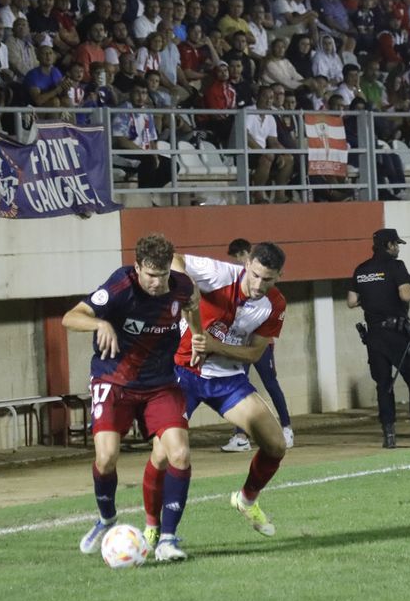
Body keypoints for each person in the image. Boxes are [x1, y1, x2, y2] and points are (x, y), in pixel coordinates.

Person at [61, 233, 195, 563]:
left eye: (162, 275)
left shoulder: (181, 286)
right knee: (106, 458)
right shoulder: (120, 286)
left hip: (160, 383)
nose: (157, 282)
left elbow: (193, 305)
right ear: (137, 268)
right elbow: (70, 317)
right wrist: (99, 324)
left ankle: (167, 539)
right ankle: (107, 519)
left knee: (179, 452)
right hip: (114, 380)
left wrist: (200, 336)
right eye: (150, 275)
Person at [151, 242, 289, 542]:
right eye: (254, 275)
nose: (259, 284)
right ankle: (153, 527)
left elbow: (253, 354)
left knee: (276, 445)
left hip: (227, 380)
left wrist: (215, 347)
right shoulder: (218, 274)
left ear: (278, 276)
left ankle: (247, 499)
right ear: (247, 264)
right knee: (163, 455)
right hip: (182, 373)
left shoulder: (275, 305)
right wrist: (187, 287)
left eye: (268, 279)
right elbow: (174, 257)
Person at [350, 228, 410, 447]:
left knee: (383, 385)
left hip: (373, 336)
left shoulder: (361, 269)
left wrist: (373, 297)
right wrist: (404, 291)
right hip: (396, 334)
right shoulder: (395, 266)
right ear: (389, 245)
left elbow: (352, 301)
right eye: (396, 244)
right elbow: (405, 294)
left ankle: (389, 437)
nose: (398, 248)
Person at [218, 239, 295, 453]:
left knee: (271, 384)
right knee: (238, 385)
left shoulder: (266, 286)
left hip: (260, 346)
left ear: (247, 254)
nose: (237, 263)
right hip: (239, 345)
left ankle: (286, 428)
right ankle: (240, 435)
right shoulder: (236, 282)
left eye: (238, 257)